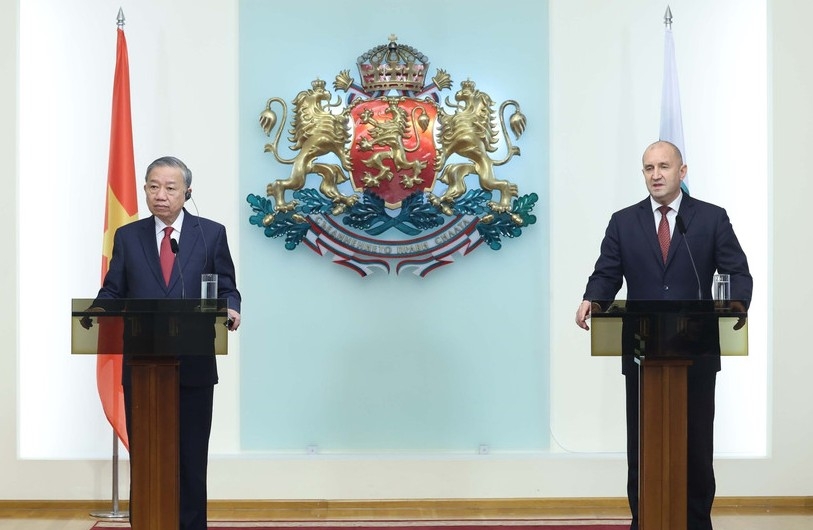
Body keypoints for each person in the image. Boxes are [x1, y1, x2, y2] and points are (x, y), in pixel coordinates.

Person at [575, 141, 752, 530]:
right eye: (648, 168)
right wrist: (594, 298)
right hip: (644, 350)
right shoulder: (624, 221)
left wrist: (738, 302)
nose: (656, 175)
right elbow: (607, 272)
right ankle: (646, 519)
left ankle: (696, 522)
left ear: (682, 171)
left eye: (664, 167)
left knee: (696, 445)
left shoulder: (710, 218)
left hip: (698, 350)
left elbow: (738, 271)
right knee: (644, 446)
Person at [94, 155, 241, 530]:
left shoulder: (211, 233)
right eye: (153, 187)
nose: (160, 195)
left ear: (187, 192)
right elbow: (114, 289)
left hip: (193, 363)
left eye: (170, 188)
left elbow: (227, 286)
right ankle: (147, 523)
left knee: (191, 458)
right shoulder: (128, 237)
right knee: (147, 457)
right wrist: (97, 309)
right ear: (145, 189)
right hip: (144, 367)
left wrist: (232, 308)